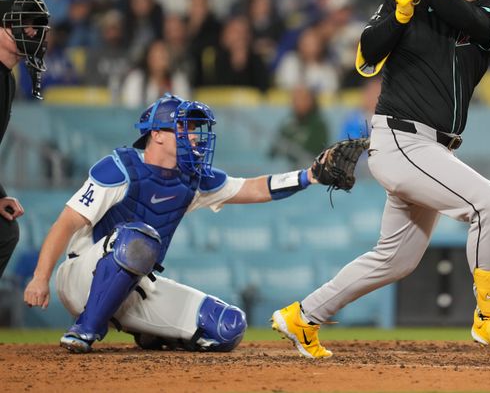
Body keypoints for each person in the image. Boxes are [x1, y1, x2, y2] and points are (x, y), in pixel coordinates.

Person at [271, 0, 490, 359]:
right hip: (400, 141)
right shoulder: (406, 0)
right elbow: (367, 56)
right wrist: (399, 12)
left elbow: (471, 23)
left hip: (434, 150)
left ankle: (303, 316)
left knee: (395, 259)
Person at [23, 93, 328, 353]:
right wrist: (40, 277)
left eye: (195, 128)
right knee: (137, 238)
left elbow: (253, 188)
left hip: (133, 288)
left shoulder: (192, 179)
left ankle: (151, 332)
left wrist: (308, 176)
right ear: (156, 134)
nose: (194, 135)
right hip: (81, 278)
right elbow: (65, 222)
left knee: (227, 327)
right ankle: (85, 329)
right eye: (184, 127)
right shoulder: (120, 168)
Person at [0, 0, 49, 278]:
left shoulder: (7, 78)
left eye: (35, 26)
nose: (32, 32)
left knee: (5, 232)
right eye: (23, 24)